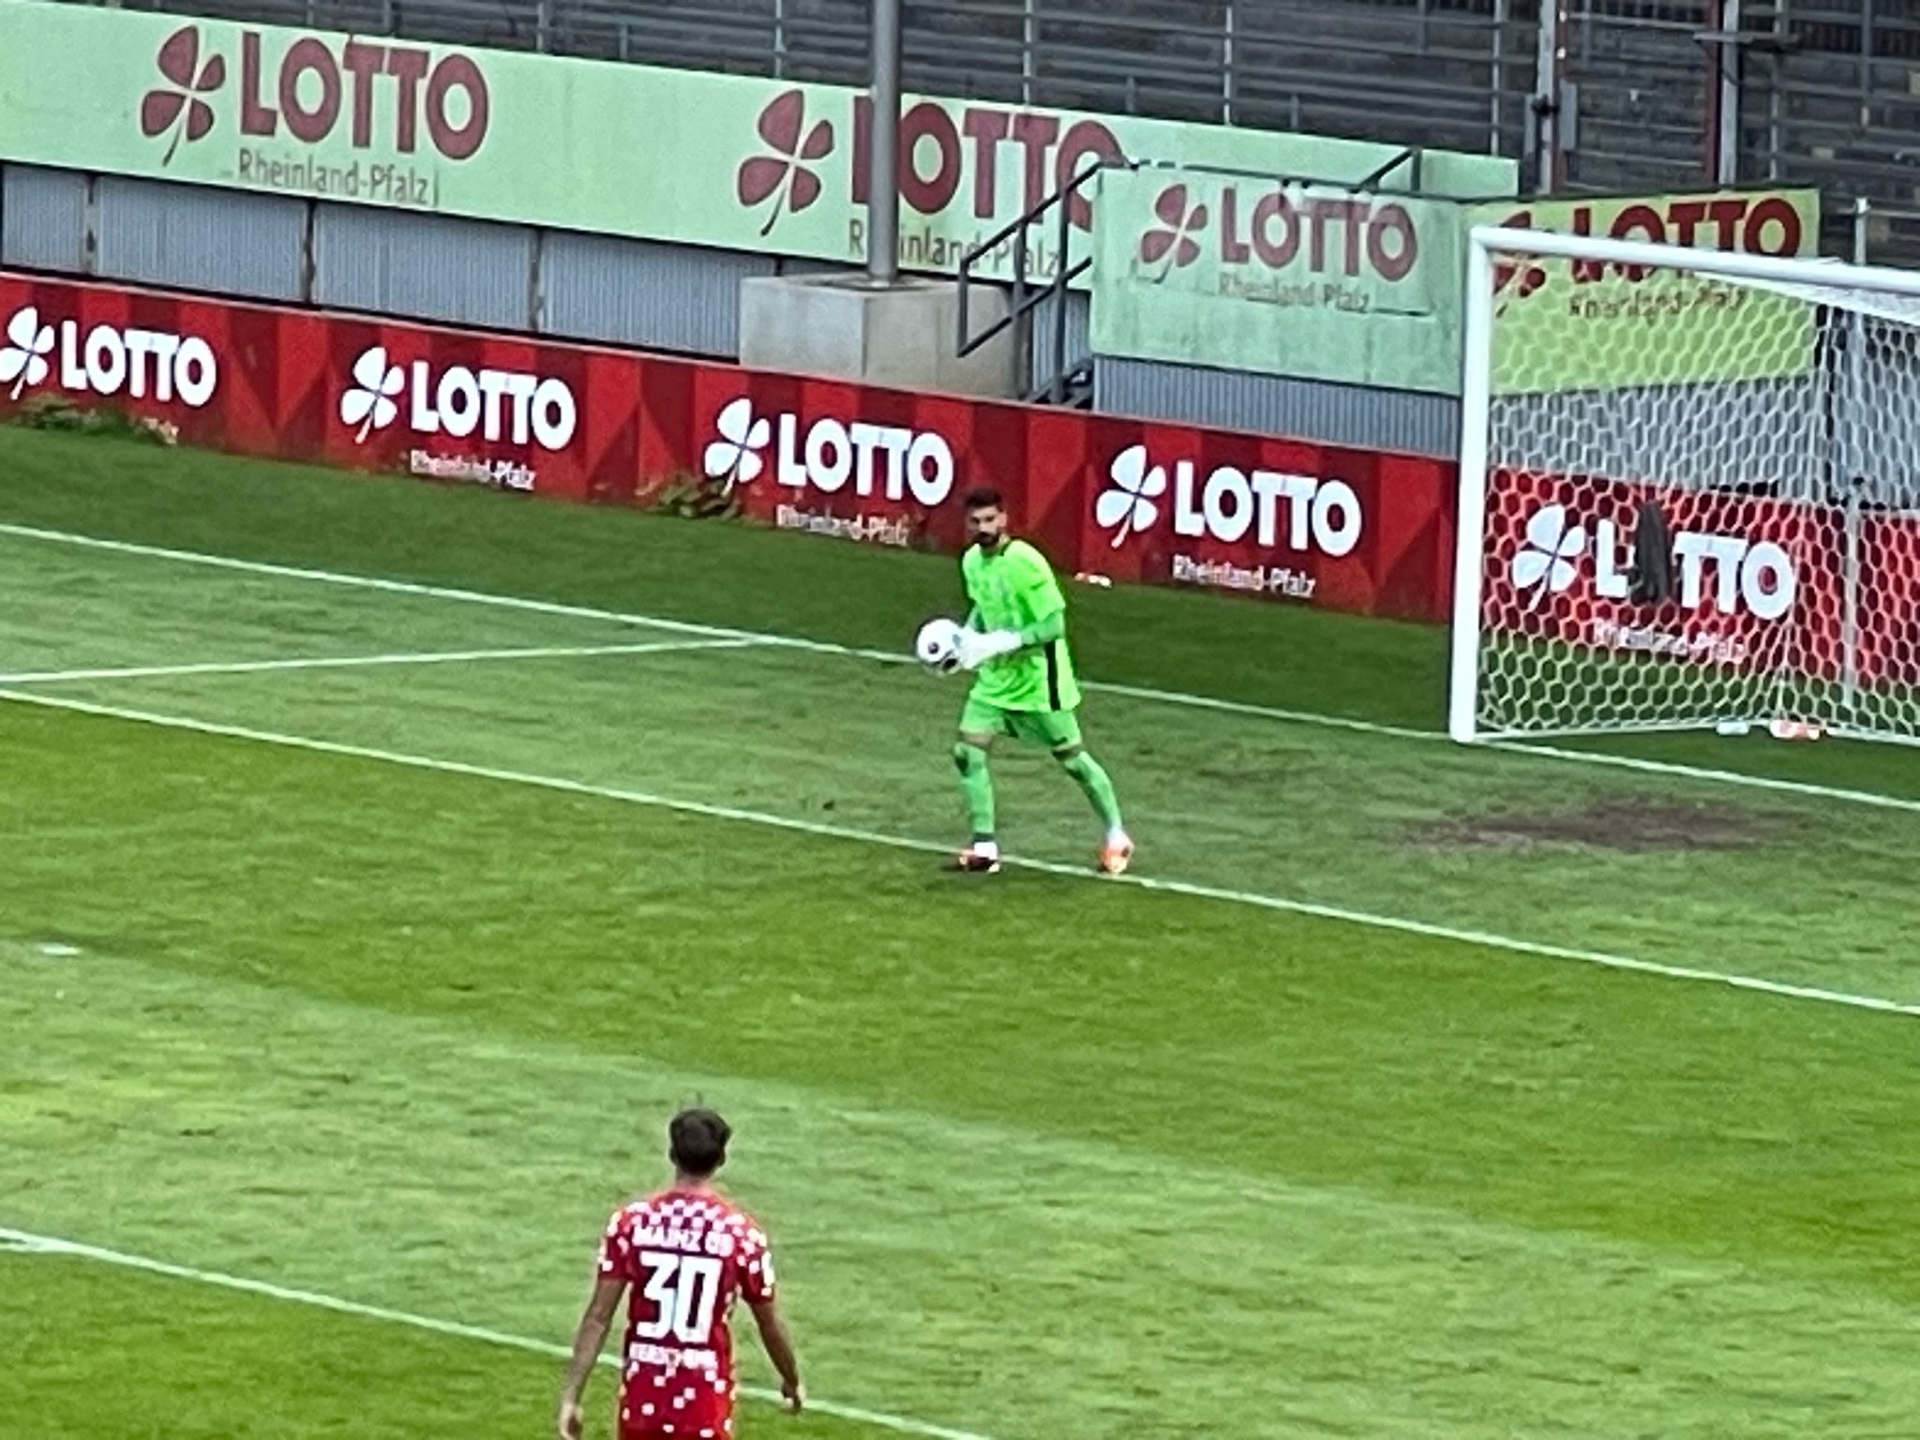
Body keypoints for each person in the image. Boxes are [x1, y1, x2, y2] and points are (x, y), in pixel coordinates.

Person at [557, 1109, 802, 1440]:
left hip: (642, 1403)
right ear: (721, 1160)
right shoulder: (740, 1234)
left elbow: (598, 1317)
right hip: (703, 1406)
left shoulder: (632, 1223)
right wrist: (790, 1378)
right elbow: (769, 1323)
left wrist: (571, 1396)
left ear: (672, 1154)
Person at [948, 487, 1132, 876]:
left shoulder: (1026, 561)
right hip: (996, 680)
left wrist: (1007, 641)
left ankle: (1117, 835)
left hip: (1039, 682)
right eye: (975, 521)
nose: (983, 528)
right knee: (967, 752)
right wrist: (964, 641)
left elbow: (1054, 626)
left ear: (1004, 519)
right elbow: (982, 606)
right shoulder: (971, 562)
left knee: (1074, 761)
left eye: (989, 519)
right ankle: (985, 847)